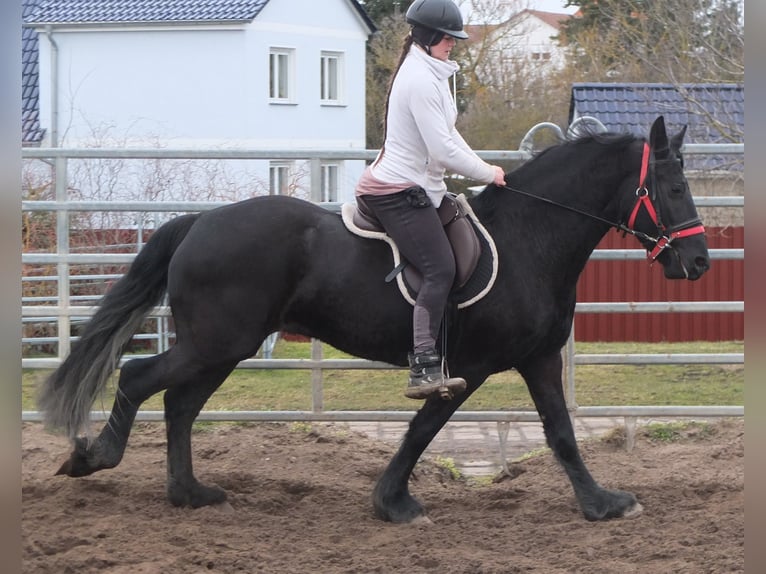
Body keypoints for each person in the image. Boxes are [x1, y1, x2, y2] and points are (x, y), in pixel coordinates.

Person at [355, 0, 507, 400]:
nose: (453, 44)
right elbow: (441, 150)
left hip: (424, 187)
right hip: (397, 190)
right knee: (439, 267)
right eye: (447, 38)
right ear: (428, 37)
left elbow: (449, 136)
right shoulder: (420, 80)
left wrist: (484, 166)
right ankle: (423, 365)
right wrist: (486, 174)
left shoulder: (434, 74)